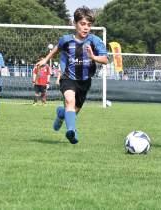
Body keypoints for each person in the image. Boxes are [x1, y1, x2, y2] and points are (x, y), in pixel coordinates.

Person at [36, 6, 108, 144]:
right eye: (82, 24)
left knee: (73, 112)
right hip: (68, 77)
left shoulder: (95, 41)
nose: (86, 27)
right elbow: (58, 47)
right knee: (70, 101)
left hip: (85, 81)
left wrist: (93, 57)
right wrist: (45, 59)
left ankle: (61, 114)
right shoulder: (66, 39)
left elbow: (105, 60)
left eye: (89, 25)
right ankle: (71, 132)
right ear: (75, 24)